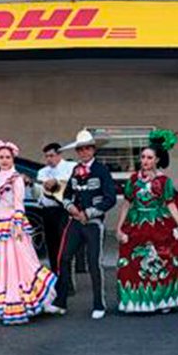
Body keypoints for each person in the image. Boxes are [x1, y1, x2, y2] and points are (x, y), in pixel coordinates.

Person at [0, 141, 57, 324]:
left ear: (12, 158)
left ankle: (16, 301)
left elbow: (18, 202)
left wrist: (17, 223)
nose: (5, 160)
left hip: (11, 224)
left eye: (8, 157)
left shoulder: (16, 178)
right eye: (1, 157)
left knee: (15, 264)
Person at [46, 129, 117, 319]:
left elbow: (110, 198)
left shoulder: (102, 170)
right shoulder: (76, 170)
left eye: (87, 149)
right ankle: (60, 302)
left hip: (93, 223)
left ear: (93, 150)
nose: (84, 152)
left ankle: (99, 304)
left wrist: (89, 212)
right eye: (80, 150)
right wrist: (71, 208)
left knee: (94, 263)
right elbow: (67, 194)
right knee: (64, 258)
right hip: (75, 222)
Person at [115, 134, 178, 314]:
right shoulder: (133, 180)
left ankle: (164, 300)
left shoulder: (164, 181)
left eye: (149, 158)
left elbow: (171, 204)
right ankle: (140, 301)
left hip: (159, 223)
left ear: (156, 160)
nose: (145, 161)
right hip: (137, 223)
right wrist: (118, 227)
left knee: (166, 259)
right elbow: (127, 203)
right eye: (143, 157)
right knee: (135, 261)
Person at [36, 142, 76, 282]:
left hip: (63, 210)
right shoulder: (42, 172)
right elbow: (41, 191)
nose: (49, 159)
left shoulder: (70, 167)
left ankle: (67, 280)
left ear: (59, 155)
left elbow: (71, 183)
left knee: (64, 246)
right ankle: (56, 276)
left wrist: (57, 181)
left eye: (52, 155)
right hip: (47, 211)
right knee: (51, 245)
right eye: (46, 156)